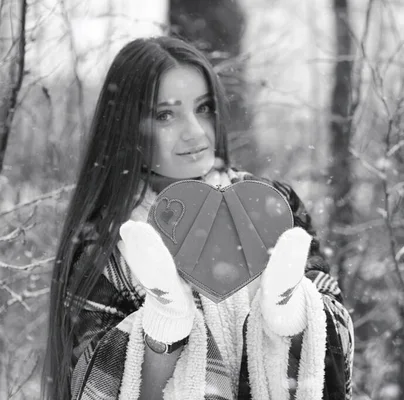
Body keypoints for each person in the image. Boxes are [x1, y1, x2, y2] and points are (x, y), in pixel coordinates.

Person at [42, 36, 354, 400]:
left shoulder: (272, 205)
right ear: (127, 127)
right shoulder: (109, 246)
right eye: (165, 115)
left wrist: (294, 314)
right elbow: (92, 387)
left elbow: (340, 335)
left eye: (204, 108)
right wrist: (162, 329)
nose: (194, 131)